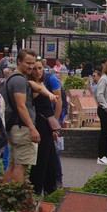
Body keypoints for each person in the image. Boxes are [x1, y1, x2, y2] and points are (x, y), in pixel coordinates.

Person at [1, 49, 41, 183]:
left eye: (33, 63)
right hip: (22, 127)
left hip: (14, 126)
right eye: (28, 63)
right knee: (21, 165)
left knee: (12, 164)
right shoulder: (19, 80)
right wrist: (32, 128)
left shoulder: (11, 78)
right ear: (19, 61)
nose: (31, 66)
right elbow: (21, 106)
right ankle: (16, 194)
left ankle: (6, 193)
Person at [28, 59, 62, 194]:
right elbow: (40, 90)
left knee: (51, 160)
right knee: (42, 159)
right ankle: (35, 191)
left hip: (47, 123)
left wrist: (55, 126)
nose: (37, 71)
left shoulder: (42, 82)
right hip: (41, 123)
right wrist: (50, 94)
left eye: (40, 68)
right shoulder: (32, 84)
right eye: (34, 69)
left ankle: (50, 191)